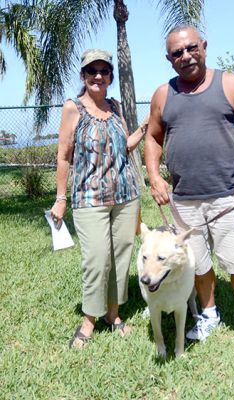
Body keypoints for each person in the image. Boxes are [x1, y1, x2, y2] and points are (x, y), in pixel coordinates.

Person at [144, 26, 234, 356]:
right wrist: (155, 176)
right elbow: (153, 137)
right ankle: (209, 314)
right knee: (197, 265)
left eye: (191, 48)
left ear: (204, 46)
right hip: (183, 200)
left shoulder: (230, 83)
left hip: (229, 195)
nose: (185, 56)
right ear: (169, 60)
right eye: (177, 53)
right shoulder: (162, 94)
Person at [51, 48, 147, 348]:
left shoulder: (116, 107)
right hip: (88, 198)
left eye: (104, 71)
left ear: (110, 77)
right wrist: (61, 197)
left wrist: (145, 126)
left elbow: (125, 146)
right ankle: (90, 319)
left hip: (125, 195)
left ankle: (113, 314)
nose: (98, 76)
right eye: (92, 71)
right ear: (83, 76)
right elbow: (64, 156)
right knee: (96, 259)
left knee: (120, 257)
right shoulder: (73, 108)